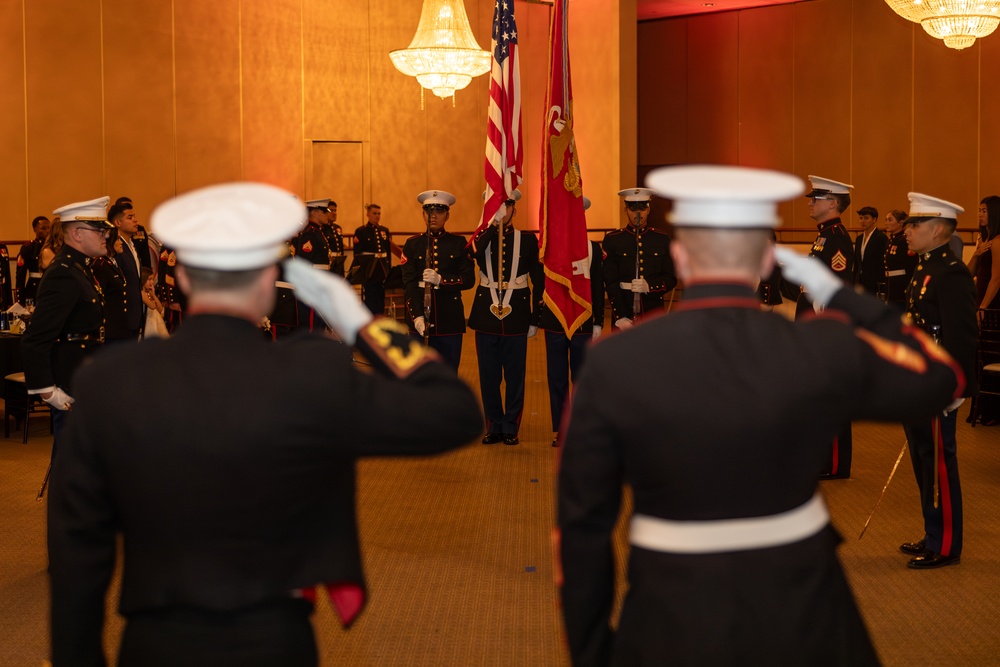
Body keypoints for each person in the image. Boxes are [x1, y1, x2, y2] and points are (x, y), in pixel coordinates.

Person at [46, 182, 484, 666]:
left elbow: (78, 551)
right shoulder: (311, 374)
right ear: (267, 282)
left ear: (185, 279)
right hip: (276, 641)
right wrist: (362, 324)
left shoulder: (111, 384)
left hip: (157, 642)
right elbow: (455, 412)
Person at [556, 165, 963, 666]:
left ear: (680, 258)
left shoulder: (614, 363)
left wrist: (592, 651)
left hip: (670, 613)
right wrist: (839, 294)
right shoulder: (817, 350)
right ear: (766, 261)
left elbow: (580, 530)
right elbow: (942, 377)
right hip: (806, 612)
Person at [899, 192, 978, 569]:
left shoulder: (952, 273)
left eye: (914, 225)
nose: (907, 231)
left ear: (936, 229)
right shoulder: (926, 266)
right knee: (923, 462)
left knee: (939, 466)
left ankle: (945, 544)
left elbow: (962, 337)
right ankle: (933, 533)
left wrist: (955, 389)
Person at [21, 196, 111, 446]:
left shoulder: (81, 268)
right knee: (73, 466)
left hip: (85, 377)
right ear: (78, 234)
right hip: (70, 382)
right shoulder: (63, 272)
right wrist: (48, 392)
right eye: (100, 230)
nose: (105, 235)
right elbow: (35, 338)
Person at [468, 189, 543, 445]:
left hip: (517, 315)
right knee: (488, 375)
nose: (504, 210)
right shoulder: (481, 236)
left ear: (515, 209)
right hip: (486, 314)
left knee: (514, 375)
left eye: (508, 206)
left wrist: (535, 317)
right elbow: (476, 256)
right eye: (499, 206)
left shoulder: (528, 240)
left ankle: (510, 425)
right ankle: (493, 425)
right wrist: (492, 223)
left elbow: (538, 280)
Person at [799, 175, 856, 479]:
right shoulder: (823, 235)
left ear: (833, 203)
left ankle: (833, 463)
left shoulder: (836, 237)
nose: (810, 202)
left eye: (816, 198)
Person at [536, 196, 604, 447]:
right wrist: (536, 316)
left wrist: (598, 320)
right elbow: (539, 282)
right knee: (556, 376)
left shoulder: (594, 249)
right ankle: (561, 428)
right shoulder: (550, 247)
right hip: (555, 318)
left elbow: (597, 285)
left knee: (582, 377)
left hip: (583, 320)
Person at [400, 190, 475, 370]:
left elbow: (468, 279)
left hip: (449, 320)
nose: (433, 216)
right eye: (429, 211)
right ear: (423, 214)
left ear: (447, 215)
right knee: (418, 374)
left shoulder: (458, 244)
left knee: (449, 373)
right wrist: (416, 316)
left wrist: (441, 280)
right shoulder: (412, 244)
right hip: (418, 320)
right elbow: (409, 283)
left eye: (439, 211)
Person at [602, 188, 677, 329]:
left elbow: (671, 277)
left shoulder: (662, 239)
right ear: (626, 210)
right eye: (633, 208)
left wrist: (650, 286)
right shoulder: (613, 240)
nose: (638, 213)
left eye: (642, 208)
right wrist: (620, 317)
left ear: (648, 210)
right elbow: (610, 281)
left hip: (653, 314)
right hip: (624, 311)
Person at [291, 199, 335, 332]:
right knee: (312, 323)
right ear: (315, 213)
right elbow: (303, 263)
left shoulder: (318, 232)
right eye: (324, 212)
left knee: (319, 322)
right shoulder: (310, 233)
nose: (328, 215)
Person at [108, 202, 144, 341]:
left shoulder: (131, 245)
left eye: (134, 216)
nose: (135, 220)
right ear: (117, 222)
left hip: (134, 316)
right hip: (122, 319)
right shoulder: (117, 248)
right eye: (130, 217)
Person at [91, 229, 134, 344]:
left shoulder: (112, 262)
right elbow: (98, 298)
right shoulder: (100, 265)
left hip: (120, 328)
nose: (121, 242)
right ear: (109, 242)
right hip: (110, 331)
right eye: (118, 239)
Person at [351, 203, 392, 315]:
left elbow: (387, 252)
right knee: (369, 299)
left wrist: (388, 270)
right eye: (374, 213)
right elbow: (358, 255)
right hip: (369, 270)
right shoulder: (361, 231)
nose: (377, 216)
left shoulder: (384, 230)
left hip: (381, 269)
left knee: (381, 298)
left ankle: (379, 321)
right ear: (368, 214)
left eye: (379, 214)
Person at [969, 195, 1000, 310]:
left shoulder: (997, 241)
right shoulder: (983, 239)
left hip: (992, 302)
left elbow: (996, 279)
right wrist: (976, 255)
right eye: (979, 211)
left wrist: (983, 307)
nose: (980, 215)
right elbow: (969, 274)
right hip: (980, 296)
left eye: (984, 211)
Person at [884, 208, 918, 308]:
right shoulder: (892, 240)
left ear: (900, 222)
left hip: (901, 286)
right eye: (886, 220)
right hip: (890, 285)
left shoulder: (905, 241)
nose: (886, 223)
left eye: (890, 220)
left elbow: (911, 265)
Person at [853, 205, 888, 295]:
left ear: (874, 219)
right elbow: (857, 262)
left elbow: (882, 261)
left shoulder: (880, 237)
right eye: (861, 218)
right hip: (860, 280)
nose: (863, 221)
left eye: (866, 218)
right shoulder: (859, 238)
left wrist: (881, 281)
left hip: (874, 281)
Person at [16, 215, 50, 305]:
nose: (47, 231)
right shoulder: (28, 248)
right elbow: (20, 276)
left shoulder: (56, 247)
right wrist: (20, 300)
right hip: (34, 288)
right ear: (35, 230)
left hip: (52, 287)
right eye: (43, 228)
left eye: (49, 228)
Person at [140, 267, 169, 339]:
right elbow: (152, 306)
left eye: (152, 279)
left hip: (156, 321)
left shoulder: (149, 292)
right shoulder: (142, 293)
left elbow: (160, 308)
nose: (152, 282)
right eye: (149, 279)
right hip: (148, 323)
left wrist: (154, 296)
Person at [322, 199, 347, 277]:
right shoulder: (322, 228)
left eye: (335, 210)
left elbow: (340, 250)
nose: (334, 213)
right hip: (328, 264)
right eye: (331, 210)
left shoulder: (337, 228)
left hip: (338, 264)